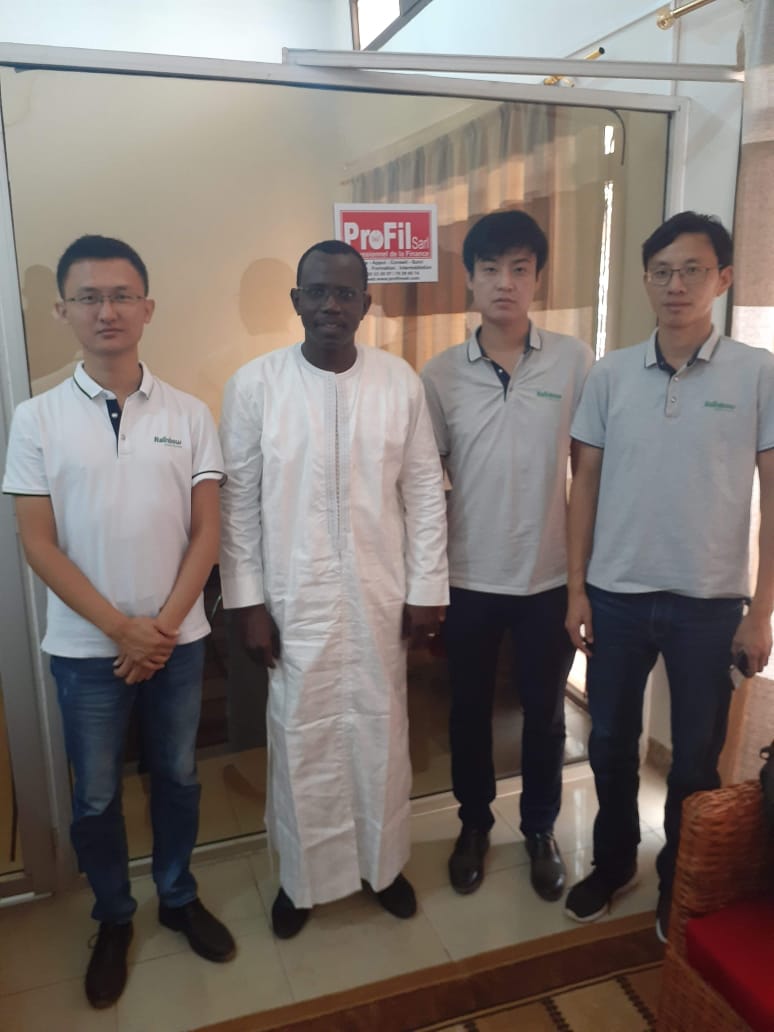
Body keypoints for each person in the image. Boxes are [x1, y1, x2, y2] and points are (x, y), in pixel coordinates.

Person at [2, 235, 235, 1009]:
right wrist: (121, 629)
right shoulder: (34, 419)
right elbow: (37, 544)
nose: (107, 310)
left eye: (122, 295)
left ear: (147, 307)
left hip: (179, 643)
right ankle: (113, 915)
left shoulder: (189, 413)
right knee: (97, 796)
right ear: (63, 310)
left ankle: (177, 894)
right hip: (84, 650)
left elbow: (207, 532)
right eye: (90, 297)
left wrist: (158, 628)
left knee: (177, 777)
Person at [218, 239, 449, 939]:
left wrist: (427, 587)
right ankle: (302, 882)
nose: (330, 305)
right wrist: (247, 601)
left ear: (365, 304)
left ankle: (384, 868)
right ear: (297, 301)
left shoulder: (399, 382)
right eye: (317, 291)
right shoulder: (255, 386)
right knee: (302, 739)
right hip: (294, 601)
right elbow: (238, 502)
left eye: (345, 293)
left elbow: (424, 492)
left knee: (381, 733)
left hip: (380, 594)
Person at [564, 211, 774, 941]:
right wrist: (577, 589)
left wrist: (762, 612)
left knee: (693, 763)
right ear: (646, 281)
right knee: (609, 744)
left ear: (723, 279)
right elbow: (584, 485)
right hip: (616, 596)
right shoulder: (610, 374)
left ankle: (677, 882)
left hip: (709, 605)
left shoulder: (758, 373)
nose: (676, 285)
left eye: (692, 270)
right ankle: (614, 862)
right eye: (662, 272)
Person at [421, 210, 593, 901]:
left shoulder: (574, 361)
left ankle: (540, 828)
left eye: (520, 269)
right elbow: (426, 482)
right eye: (490, 269)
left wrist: (581, 581)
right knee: (467, 711)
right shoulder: (439, 374)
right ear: (470, 279)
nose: (505, 283)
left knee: (545, 714)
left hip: (548, 578)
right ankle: (473, 825)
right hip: (468, 576)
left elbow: (588, 472)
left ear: (537, 279)